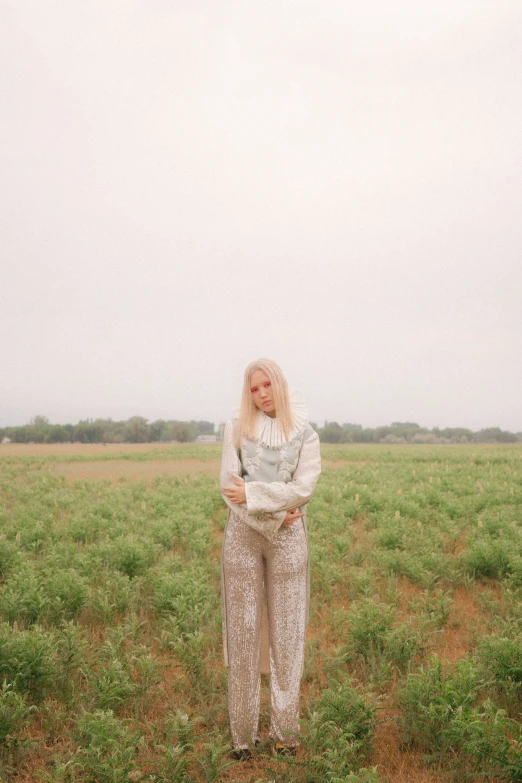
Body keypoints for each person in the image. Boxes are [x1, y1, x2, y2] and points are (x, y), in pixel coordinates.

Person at [220, 358, 321, 760]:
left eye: (266, 386)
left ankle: (285, 735)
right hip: (243, 537)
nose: (261, 395)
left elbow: (304, 487)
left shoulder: (306, 434)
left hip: (290, 540)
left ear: (279, 385)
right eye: (253, 389)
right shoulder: (236, 429)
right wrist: (277, 515)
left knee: (287, 637)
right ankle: (242, 738)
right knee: (243, 637)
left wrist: (260, 499)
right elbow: (230, 488)